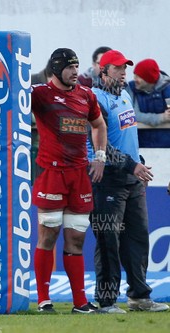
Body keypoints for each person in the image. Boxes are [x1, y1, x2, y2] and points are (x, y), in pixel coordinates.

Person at [89, 49, 169, 313]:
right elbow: (101, 146)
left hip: (132, 178)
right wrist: (131, 165)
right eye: (118, 68)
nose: (124, 73)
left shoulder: (124, 95)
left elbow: (128, 137)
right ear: (104, 71)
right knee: (108, 241)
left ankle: (139, 296)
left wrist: (139, 162)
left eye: (125, 68)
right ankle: (107, 300)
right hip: (107, 178)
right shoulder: (95, 100)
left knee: (137, 239)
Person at [31, 48, 108, 314]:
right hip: (51, 174)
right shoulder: (39, 94)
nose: (76, 71)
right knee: (48, 235)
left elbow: (98, 125)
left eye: (77, 66)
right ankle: (43, 300)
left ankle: (80, 303)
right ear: (55, 69)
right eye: (70, 67)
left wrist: (99, 156)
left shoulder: (86, 95)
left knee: (76, 239)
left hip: (79, 176)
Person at [126, 58, 170, 148]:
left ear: (149, 79)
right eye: (135, 75)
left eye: (138, 76)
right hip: (140, 145)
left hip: (166, 146)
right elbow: (133, 115)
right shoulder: (131, 89)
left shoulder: (167, 88)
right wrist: (160, 118)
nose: (135, 80)